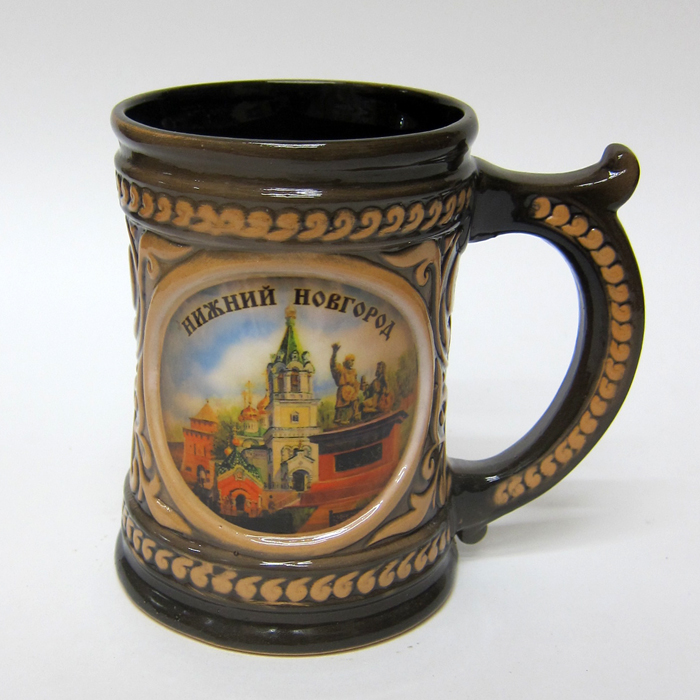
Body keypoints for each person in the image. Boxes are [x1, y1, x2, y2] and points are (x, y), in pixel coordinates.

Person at [330, 343, 360, 424]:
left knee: (355, 400)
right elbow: (333, 365)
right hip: (342, 391)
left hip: (351, 391)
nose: (352, 363)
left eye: (353, 361)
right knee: (339, 407)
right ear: (346, 361)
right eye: (350, 360)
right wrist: (334, 353)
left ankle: (356, 415)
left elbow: (356, 382)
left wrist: (359, 387)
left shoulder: (354, 371)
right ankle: (337, 420)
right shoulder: (341, 369)